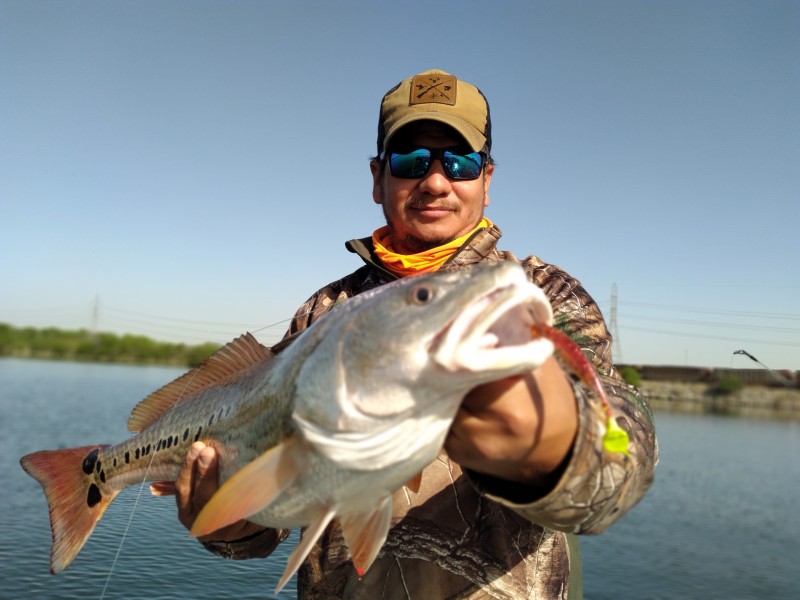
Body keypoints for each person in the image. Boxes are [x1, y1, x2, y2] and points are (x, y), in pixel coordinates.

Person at [170, 69, 657, 599]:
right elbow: (279, 506)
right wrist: (233, 531)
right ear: (378, 178)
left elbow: (620, 465)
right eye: (410, 161)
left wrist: (556, 446)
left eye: (461, 161)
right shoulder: (322, 314)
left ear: (487, 181)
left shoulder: (537, 294)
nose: (435, 180)